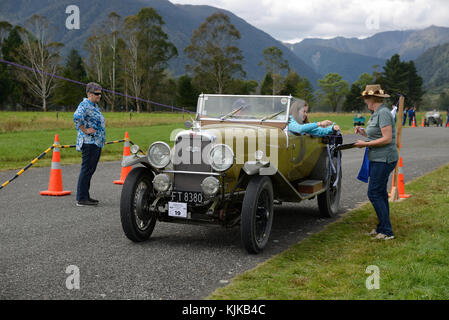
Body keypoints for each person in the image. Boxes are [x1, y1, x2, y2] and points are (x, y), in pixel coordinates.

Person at [354, 84, 398, 240]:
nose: (365, 101)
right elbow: (376, 135)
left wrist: (364, 144)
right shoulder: (376, 113)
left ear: (372, 99)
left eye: (366, 98)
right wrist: (364, 132)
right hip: (377, 158)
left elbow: (387, 139)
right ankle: (383, 227)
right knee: (379, 193)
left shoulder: (384, 113)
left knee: (373, 193)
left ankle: (387, 231)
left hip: (384, 159)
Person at [73, 82, 106, 207]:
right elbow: (76, 117)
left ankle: (85, 196)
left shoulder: (93, 105)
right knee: (86, 170)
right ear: (89, 94)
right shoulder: (85, 105)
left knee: (90, 170)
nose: (99, 96)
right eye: (96, 94)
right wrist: (85, 130)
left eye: (100, 94)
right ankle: (81, 198)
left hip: (96, 142)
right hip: (89, 142)